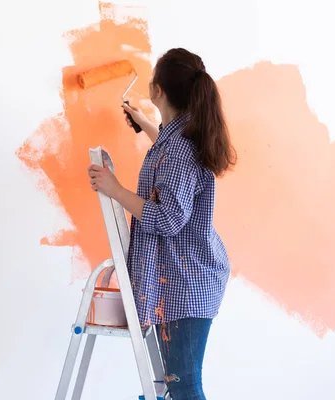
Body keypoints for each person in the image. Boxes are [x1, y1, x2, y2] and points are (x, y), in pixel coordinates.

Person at [87, 48, 236, 400]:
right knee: (179, 385)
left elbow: (168, 218)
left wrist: (115, 189)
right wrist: (146, 123)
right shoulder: (179, 136)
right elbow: (172, 159)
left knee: (184, 387)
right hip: (186, 277)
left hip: (187, 283)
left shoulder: (181, 148)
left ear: (158, 91)